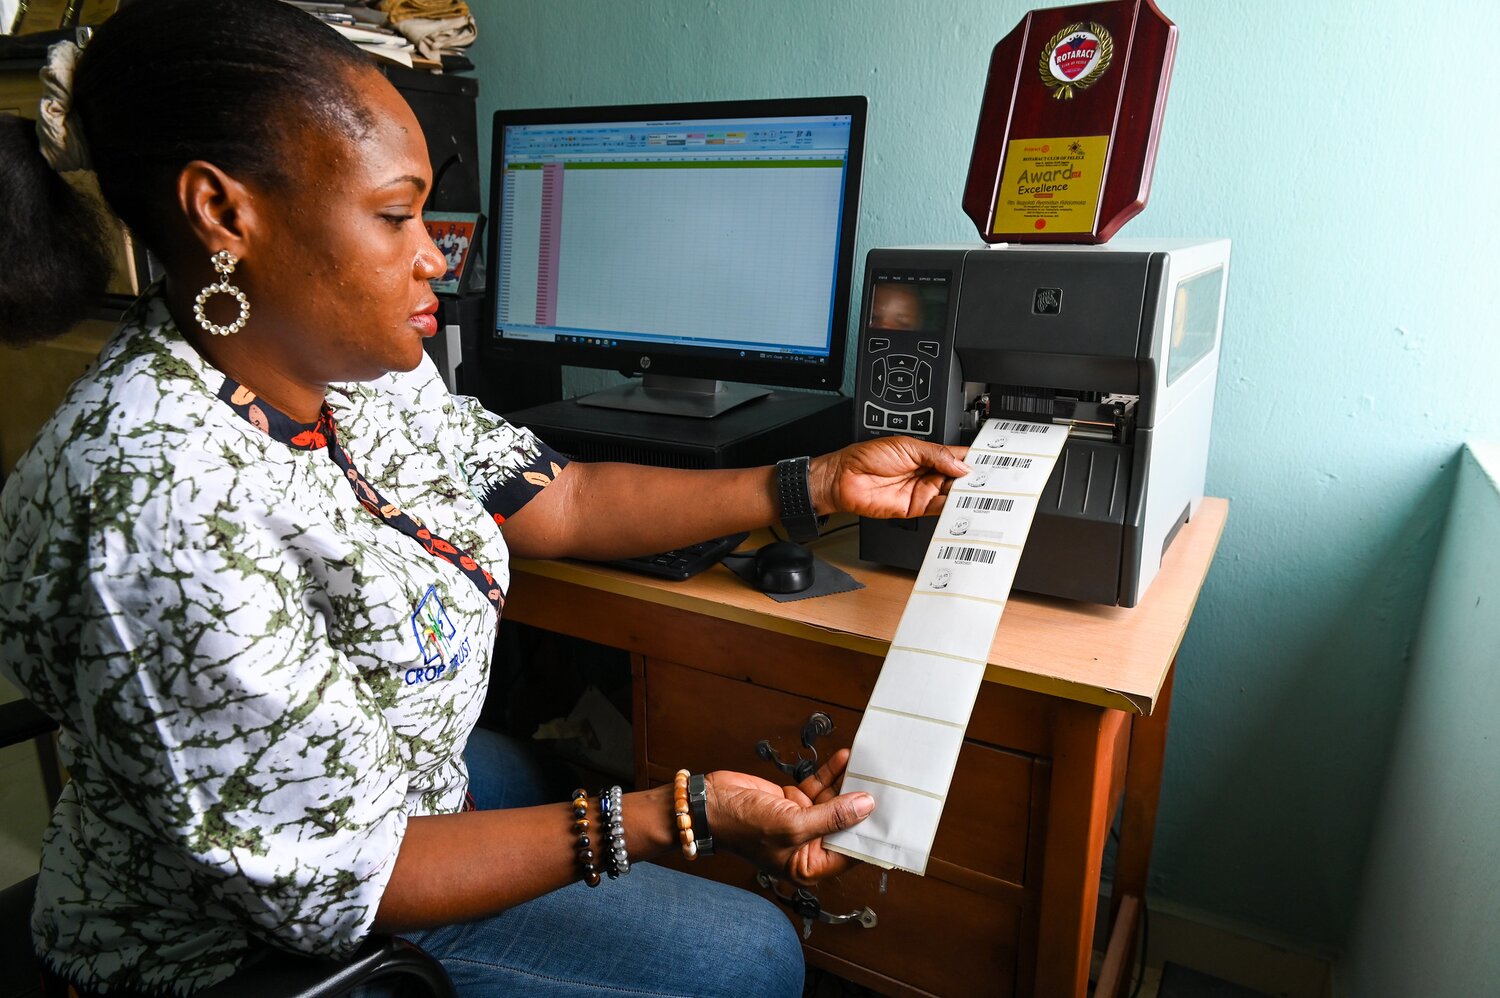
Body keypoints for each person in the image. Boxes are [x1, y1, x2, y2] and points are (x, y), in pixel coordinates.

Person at [0, 2, 971, 996]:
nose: (435, 256)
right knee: (751, 952)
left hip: (390, 788)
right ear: (223, 212)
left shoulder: (353, 362)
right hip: (252, 945)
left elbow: (565, 497)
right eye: (394, 216)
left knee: (544, 769)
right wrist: (686, 811)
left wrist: (815, 483)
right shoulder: (154, 504)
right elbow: (352, 878)